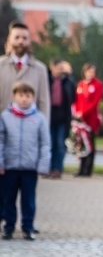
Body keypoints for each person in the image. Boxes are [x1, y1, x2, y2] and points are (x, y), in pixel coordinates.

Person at [0, 81, 50, 240]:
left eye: (28, 96)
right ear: (14, 96)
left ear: (33, 98)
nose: (24, 99)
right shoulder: (5, 117)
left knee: (28, 200)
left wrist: (43, 164)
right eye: (21, 95)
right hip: (10, 166)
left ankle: (27, 227)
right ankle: (9, 226)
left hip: (30, 167)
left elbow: (45, 143)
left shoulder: (39, 118)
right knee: (8, 198)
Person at [0, 22, 50, 122]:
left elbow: (44, 103)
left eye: (24, 38)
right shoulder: (1, 65)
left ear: (29, 41)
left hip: (30, 129)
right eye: (17, 37)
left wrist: (43, 128)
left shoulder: (40, 69)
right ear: (9, 40)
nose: (21, 41)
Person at [72, 63, 103, 177]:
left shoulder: (98, 85)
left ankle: (88, 169)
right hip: (80, 119)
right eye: (88, 71)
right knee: (81, 143)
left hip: (90, 119)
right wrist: (76, 112)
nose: (91, 73)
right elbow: (76, 100)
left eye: (92, 71)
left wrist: (83, 112)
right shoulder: (81, 84)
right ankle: (81, 168)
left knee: (90, 143)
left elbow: (94, 102)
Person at [47, 58, 76, 179]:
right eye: (59, 68)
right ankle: (49, 168)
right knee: (49, 143)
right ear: (52, 68)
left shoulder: (68, 81)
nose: (61, 70)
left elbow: (73, 96)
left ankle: (58, 169)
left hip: (63, 117)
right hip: (49, 116)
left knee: (60, 144)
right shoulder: (46, 80)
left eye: (62, 68)